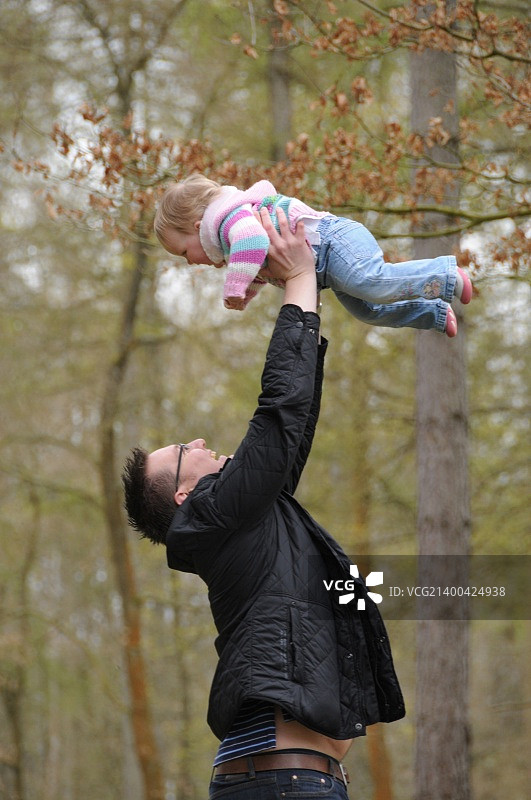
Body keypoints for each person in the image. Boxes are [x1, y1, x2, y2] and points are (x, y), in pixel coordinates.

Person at [123, 208, 405, 799]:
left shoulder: (240, 520)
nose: (197, 441)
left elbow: (292, 430)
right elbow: (278, 416)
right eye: (184, 450)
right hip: (285, 782)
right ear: (184, 494)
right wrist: (300, 285)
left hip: (285, 779)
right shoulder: (211, 515)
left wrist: (305, 292)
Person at [153, 172, 473, 337]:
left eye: (184, 252)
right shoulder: (232, 238)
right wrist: (248, 293)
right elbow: (265, 266)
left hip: (334, 241)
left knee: (370, 281)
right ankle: (434, 313)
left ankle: (445, 275)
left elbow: (253, 243)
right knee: (368, 310)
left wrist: (234, 287)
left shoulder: (227, 219)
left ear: (197, 227)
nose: (190, 261)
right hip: (328, 268)